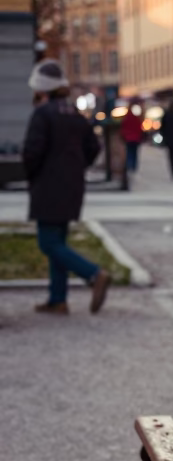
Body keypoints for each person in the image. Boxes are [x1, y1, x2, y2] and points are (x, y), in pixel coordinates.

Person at [22, 60, 111, 316]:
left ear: (40, 88)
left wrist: (32, 175)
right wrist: (76, 168)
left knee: (48, 243)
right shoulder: (74, 113)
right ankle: (58, 299)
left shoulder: (43, 114)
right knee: (58, 240)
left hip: (47, 186)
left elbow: (32, 152)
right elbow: (94, 147)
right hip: (72, 186)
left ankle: (93, 274)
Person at [120, 103, 144, 175]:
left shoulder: (126, 118)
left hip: (128, 138)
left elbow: (123, 128)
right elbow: (139, 128)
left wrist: (124, 136)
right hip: (135, 139)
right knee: (134, 153)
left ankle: (129, 165)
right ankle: (133, 166)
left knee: (129, 153)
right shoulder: (136, 118)